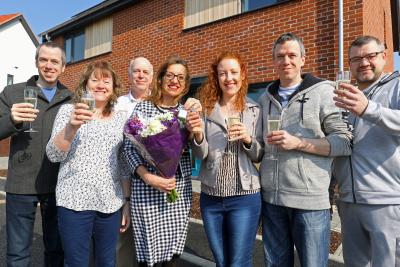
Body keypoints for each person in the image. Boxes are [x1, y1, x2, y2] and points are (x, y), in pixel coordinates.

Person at [259, 33, 352, 267]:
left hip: (310, 203)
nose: (286, 61)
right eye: (280, 56)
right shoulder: (264, 98)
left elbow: (344, 142)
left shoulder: (323, 92)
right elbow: (260, 147)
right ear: (273, 61)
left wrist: (298, 142)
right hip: (272, 201)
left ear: (303, 59)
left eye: (292, 55)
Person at [46, 61, 131, 267]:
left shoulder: (121, 118)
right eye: (95, 80)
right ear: (85, 85)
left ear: (113, 88)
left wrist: (126, 202)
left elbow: (122, 164)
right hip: (75, 200)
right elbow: (52, 154)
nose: (100, 85)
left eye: (106, 80)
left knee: (107, 262)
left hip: (110, 202)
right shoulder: (69, 111)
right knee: (76, 263)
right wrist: (71, 128)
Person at [188, 51, 263, 267]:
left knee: (238, 261)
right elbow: (200, 155)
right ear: (216, 77)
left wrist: (248, 139)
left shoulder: (254, 110)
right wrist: (199, 135)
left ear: (242, 75)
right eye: (223, 73)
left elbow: (259, 154)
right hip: (212, 196)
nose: (228, 78)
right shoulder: (206, 109)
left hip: (244, 196)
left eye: (233, 72)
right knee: (221, 261)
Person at [0, 42, 72, 266]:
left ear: (63, 67)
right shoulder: (13, 92)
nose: (48, 65)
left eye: (54, 61)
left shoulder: (72, 98)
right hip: (21, 184)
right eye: (44, 60)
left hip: (58, 186)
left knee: (55, 250)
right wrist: (12, 120)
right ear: (36, 62)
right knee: (18, 254)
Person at [123, 55, 197, 267]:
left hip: (177, 191)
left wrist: (195, 133)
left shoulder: (186, 113)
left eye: (180, 78)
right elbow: (128, 147)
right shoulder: (144, 108)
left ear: (185, 84)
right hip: (146, 192)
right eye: (170, 75)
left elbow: (197, 149)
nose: (175, 81)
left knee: (172, 258)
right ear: (161, 79)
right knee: (149, 257)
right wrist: (148, 177)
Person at [333, 35, 400, 267]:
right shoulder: (346, 94)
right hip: (349, 201)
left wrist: (368, 109)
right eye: (356, 59)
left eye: (370, 56)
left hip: (386, 200)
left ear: (384, 56)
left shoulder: (397, 84)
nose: (363, 63)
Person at [115, 57, 153, 267]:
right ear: (129, 75)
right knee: (124, 240)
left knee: (150, 243)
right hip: (123, 179)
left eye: (145, 72)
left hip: (152, 182)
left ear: (151, 77)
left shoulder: (160, 103)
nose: (140, 75)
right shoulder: (117, 104)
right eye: (136, 71)